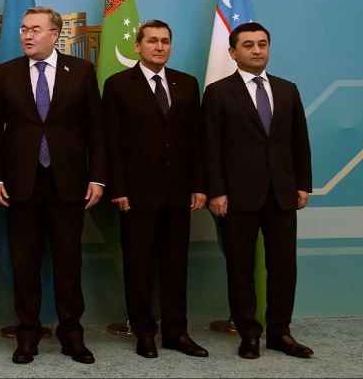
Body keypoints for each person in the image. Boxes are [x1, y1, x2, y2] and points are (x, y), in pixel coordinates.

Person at [0, 6, 106, 365]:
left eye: (35, 29)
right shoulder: (7, 73)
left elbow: (96, 130)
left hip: (69, 184)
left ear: (55, 34)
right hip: (21, 185)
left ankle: (72, 335)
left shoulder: (81, 71)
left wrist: (97, 176)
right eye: (24, 29)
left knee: (68, 263)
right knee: (25, 264)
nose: (27, 35)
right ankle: (27, 336)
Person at [203, 22, 313, 359]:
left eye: (262, 44)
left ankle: (280, 332)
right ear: (232, 52)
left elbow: (299, 141)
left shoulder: (287, 90)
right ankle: (248, 333)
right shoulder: (218, 92)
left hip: (282, 194)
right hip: (236, 197)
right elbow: (210, 146)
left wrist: (302, 184)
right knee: (241, 269)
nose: (256, 50)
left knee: (284, 269)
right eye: (248, 45)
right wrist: (216, 191)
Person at [102, 20, 209, 359]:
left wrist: (199, 185)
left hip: (179, 193)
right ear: (138, 46)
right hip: (136, 194)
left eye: (165, 41)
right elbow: (111, 142)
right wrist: (118, 188)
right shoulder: (118, 85)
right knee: (139, 267)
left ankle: (176, 332)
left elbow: (196, 140)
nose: (159, 47)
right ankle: (144, 332)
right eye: (152, 41)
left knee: (176, 266)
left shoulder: (187, 84)